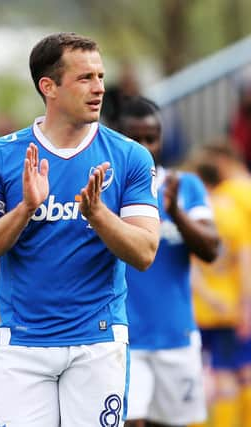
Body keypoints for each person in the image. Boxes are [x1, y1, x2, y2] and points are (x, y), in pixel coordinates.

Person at [0, 32, 161, 426]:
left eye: (101, 76)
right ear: (48, 87)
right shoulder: (1, 155)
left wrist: (98, 214)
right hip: (22, 343)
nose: (99, 88)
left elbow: (144, 252)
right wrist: (27, 207)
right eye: (85, 78)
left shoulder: (129, 155)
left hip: (98, 341)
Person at [117, 97, 220, 427]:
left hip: (175, 335)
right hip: (124, 338)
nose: (145, 146)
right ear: (117, 137)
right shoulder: (106, 190)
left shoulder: (184, 186)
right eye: (135, 138)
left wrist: (176, 213)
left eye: (152, 137)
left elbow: (211, 249)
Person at [192, 144, 251, 427]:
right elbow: (243, 257)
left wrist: (206, 294)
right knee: (236, 372)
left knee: (204, 375)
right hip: (230, 307)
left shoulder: (193, 212)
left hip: (200, 309)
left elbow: (190, 266)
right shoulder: (234, 207)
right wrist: (244, 302)